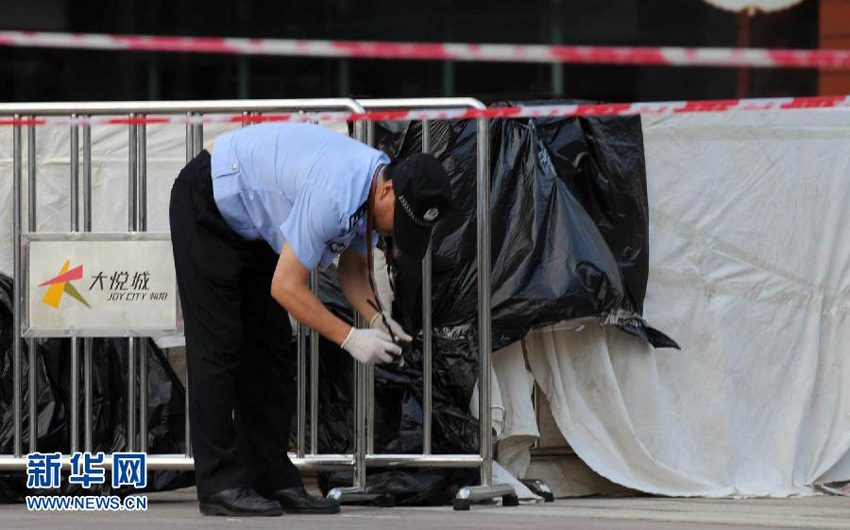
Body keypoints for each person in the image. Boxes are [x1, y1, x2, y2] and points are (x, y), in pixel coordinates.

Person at [169, 122, 454, 517]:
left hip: (252, 227)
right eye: (399, 222)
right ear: (387, 190)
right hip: (209, 202)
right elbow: (286, 288)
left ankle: (272, 478)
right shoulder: (336, 194)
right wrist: (352, 338)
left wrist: (376, 320)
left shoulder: (373, 188)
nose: (394, 232)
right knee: (218, 349)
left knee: (271, 353)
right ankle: (220, 484)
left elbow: (353, 273)